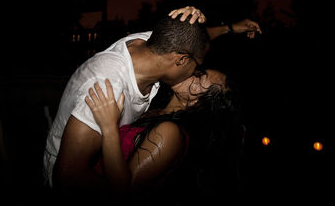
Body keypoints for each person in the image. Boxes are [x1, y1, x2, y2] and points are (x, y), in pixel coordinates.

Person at [43, 6, 259, 198]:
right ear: (181, 60)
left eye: (199, 73)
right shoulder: (107, 86)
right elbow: (67, 177)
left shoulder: (151, 46)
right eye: (197, 69)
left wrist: (227, 29)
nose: (194, 72)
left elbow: (188, 44)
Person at [85, 69, 240, 203]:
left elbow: (123, 193)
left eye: (200, 77)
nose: (191, 73)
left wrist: (109, 127)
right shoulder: (155, 111)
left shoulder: (169, 132)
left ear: (198, 103)